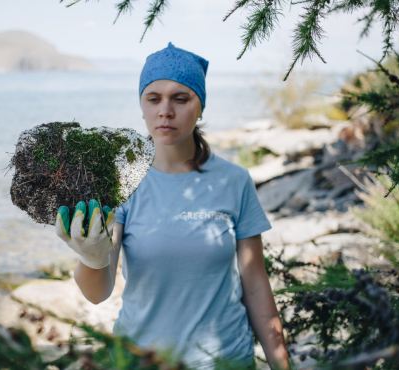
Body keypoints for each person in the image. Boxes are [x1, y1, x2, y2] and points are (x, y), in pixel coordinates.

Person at [55, 42, 290, 370]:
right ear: (142, 106)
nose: (165, 110)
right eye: (154, 99)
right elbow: (98, 293)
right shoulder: (120, 185)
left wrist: (282, 365)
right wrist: (91, 258)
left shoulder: (233, 181)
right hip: (143, 361)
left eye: (181, 98)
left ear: (200, 107)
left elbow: (256, 284)